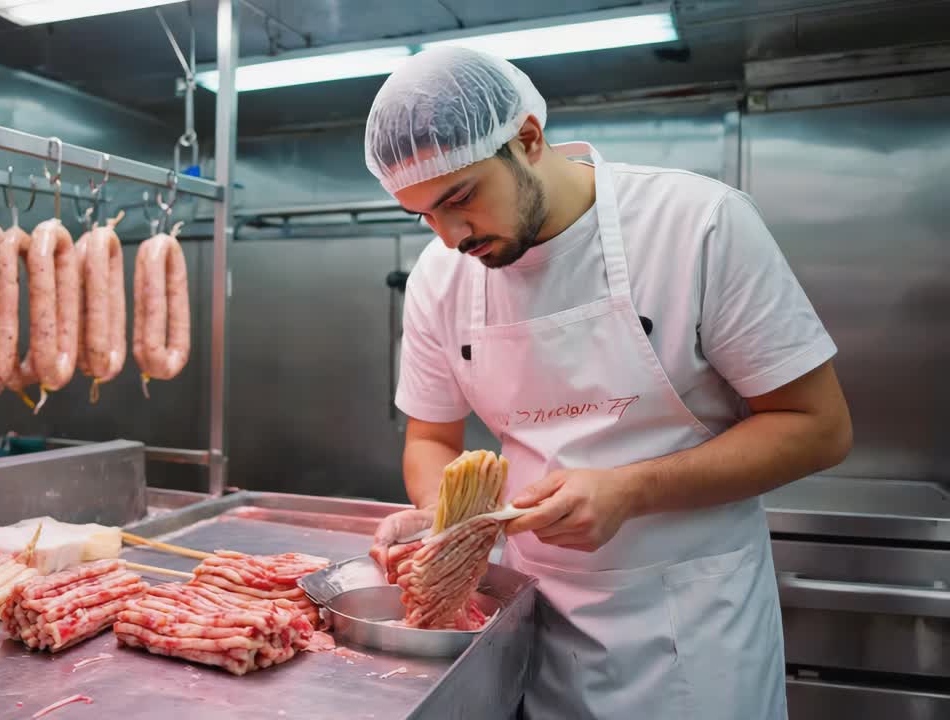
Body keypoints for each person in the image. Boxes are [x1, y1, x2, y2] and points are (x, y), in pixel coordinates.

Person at [362, 46, 852, 719]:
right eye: (422, 215)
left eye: (461, 199)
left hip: (694, 633)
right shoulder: (439, 277)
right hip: (527, 621)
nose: (448, 236)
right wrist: (448, 526)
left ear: (529, 139)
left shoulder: (696, 224)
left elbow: (818, 427)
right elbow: (430, 440)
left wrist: (632, 489)